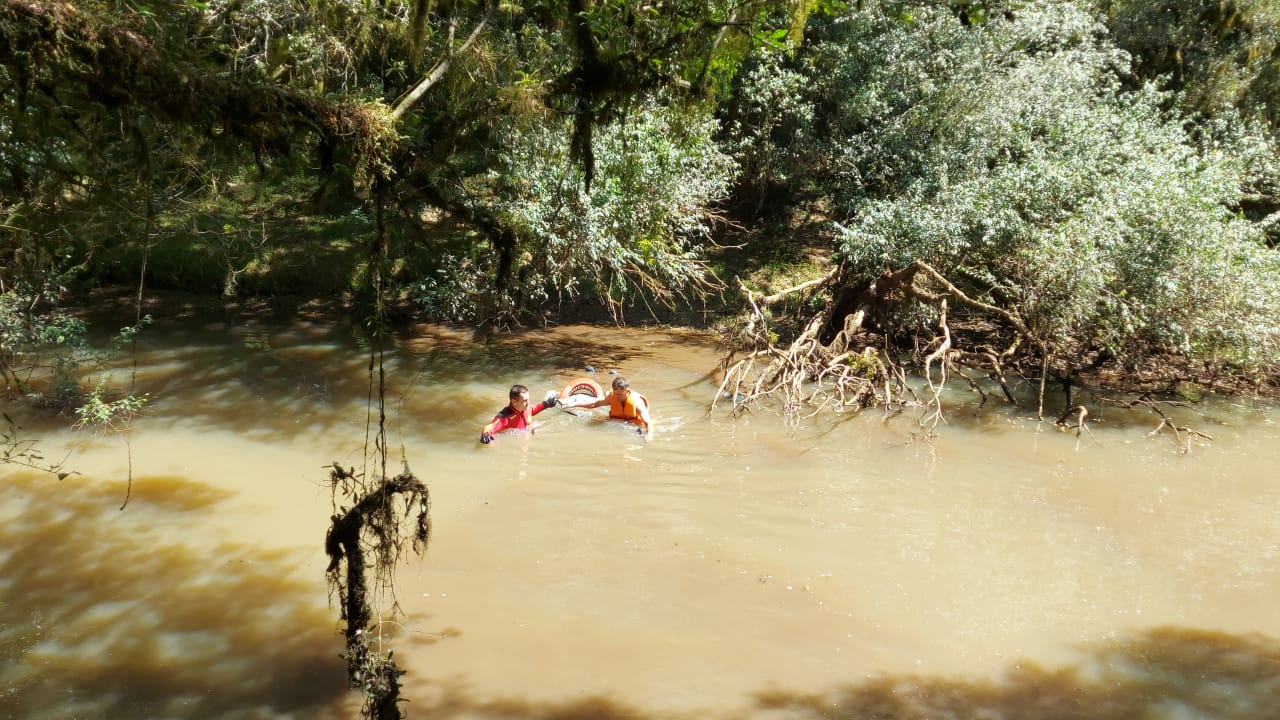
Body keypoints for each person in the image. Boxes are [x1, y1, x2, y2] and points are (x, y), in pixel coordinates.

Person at [563, 375, 651, 435]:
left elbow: (648, 423)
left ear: (627, 391)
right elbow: (595, 403)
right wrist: (574, 404)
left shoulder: (637, 402)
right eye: (616, 394)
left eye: (620, 394)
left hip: (635, 426)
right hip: (616, 423)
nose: (617, 397)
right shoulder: (612, 396)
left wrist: (649, 436)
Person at [479, 384, 558, 444]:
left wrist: (546, 404)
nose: (528, 403)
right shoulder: (505, 416)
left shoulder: (526, 407)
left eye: (528, 399)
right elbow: (491, 426)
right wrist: (486, 434)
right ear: (514, 402)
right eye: (525, 400)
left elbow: (532, 410)